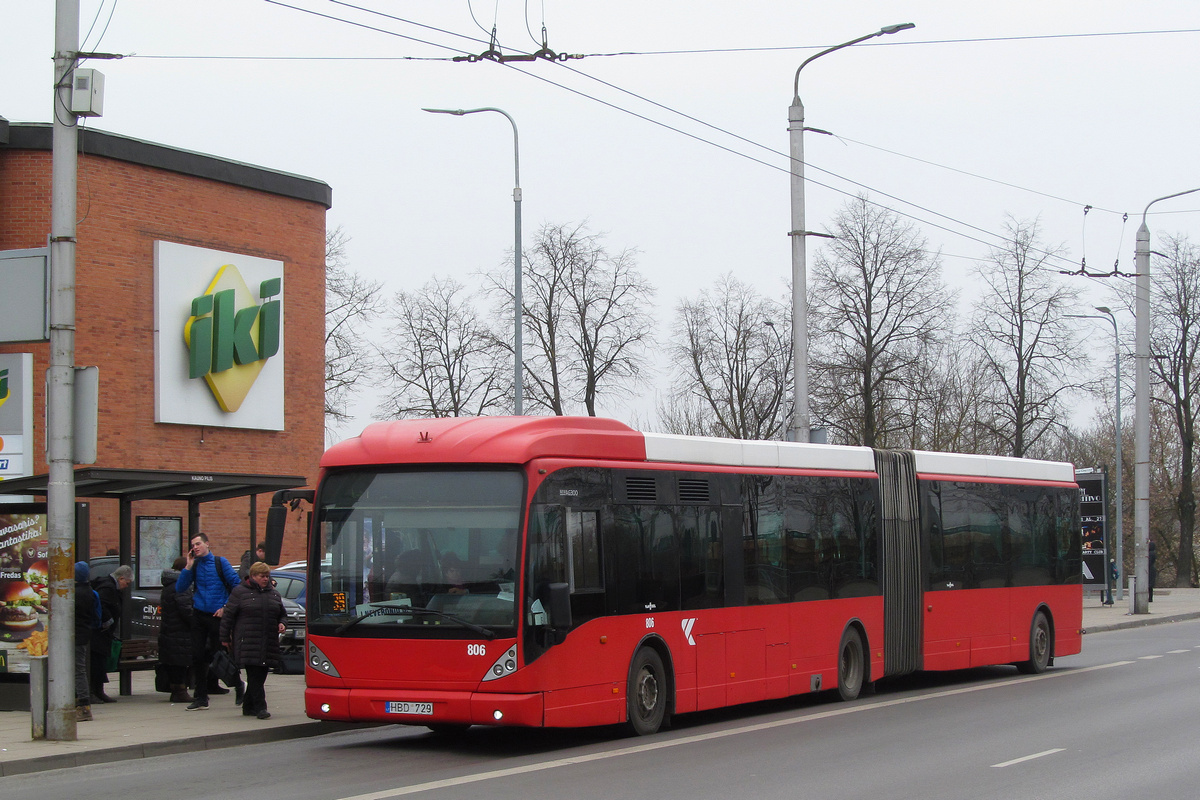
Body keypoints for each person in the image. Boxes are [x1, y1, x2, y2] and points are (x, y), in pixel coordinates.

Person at [176, 532, 245, 710]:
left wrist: (225, 606)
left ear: (207, 544)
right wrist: (188, 566)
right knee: (197, 656)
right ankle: (201, 697)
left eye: (198, 544)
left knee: (219, 656)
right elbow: (180, 587)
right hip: (199, 614)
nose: (195, 547)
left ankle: (238, 684)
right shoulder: (195, 565)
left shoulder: (220, 562)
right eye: (193, 545)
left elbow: (236, 585)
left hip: (216, 615)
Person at [220, 561, 286, 720]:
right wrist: (224, 638)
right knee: (255, 674)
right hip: (247, 641)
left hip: (268, 640)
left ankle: (248, 706)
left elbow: (282, 613)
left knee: (261, 674)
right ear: (253, 576)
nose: (266, 579)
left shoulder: (274, 594)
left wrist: (282, 623)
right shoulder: (240, 592)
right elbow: (228, 616)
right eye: (263, 576)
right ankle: (261, 707)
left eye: (267, 576)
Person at [90, 564, 131, 704]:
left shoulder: (107, 585)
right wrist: (108, 620)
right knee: (97, 662)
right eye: (127, 582)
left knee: (100, 661)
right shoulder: (108, 588)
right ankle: (96, 691)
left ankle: (98, 690)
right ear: (120, 578)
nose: (127, 586)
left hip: (101, 632)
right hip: (100, 632)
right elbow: (101, 605)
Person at [158, 556, 194, 703]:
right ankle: (180, 690)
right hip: (180, 631)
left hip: (170, 629)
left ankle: (177, 690)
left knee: (175, 661)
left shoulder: (169, 585)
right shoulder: (181, 586)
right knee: (179, 662)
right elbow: (186, 610)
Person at [74, 562, 100, 721]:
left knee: (77, 670)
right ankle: (82, 703)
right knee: (79, 668)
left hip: (73, 635)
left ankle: (83, 704)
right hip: (83, 634)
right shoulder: (92, 593)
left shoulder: (71, 593)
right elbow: (97, 617)